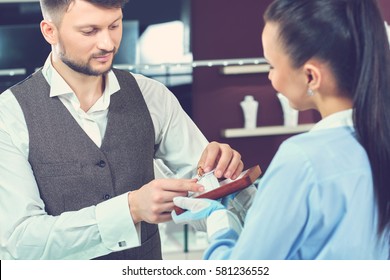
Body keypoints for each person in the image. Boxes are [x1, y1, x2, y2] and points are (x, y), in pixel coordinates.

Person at [0, 0, 244, 260]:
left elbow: (206, 196)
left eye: (114, 25)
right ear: (50, 31)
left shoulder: (153, 97)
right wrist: (130, 210)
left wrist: (222, 178)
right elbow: (20, 241)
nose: (108, 43)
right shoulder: (9, 115)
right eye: (89, 31)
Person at [173, 0, 390, 259]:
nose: (269, 76)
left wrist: (219, 221)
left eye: (272, 65)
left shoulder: (302, 159)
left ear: (310, 76)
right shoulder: (377, 139)